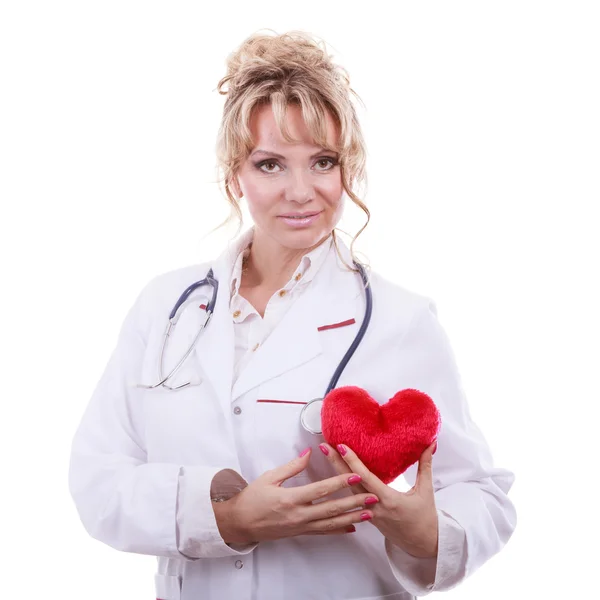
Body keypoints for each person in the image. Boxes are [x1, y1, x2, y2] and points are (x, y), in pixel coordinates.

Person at [68, 30, 516, 600]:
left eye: (322, 162)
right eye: (271, 164)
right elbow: (98, 480)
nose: (300, 192)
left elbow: (480, 492)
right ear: (236, 173)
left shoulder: (401, 321)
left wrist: (428, 533)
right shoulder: (165, 308)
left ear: (345, 170)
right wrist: (227, 519)